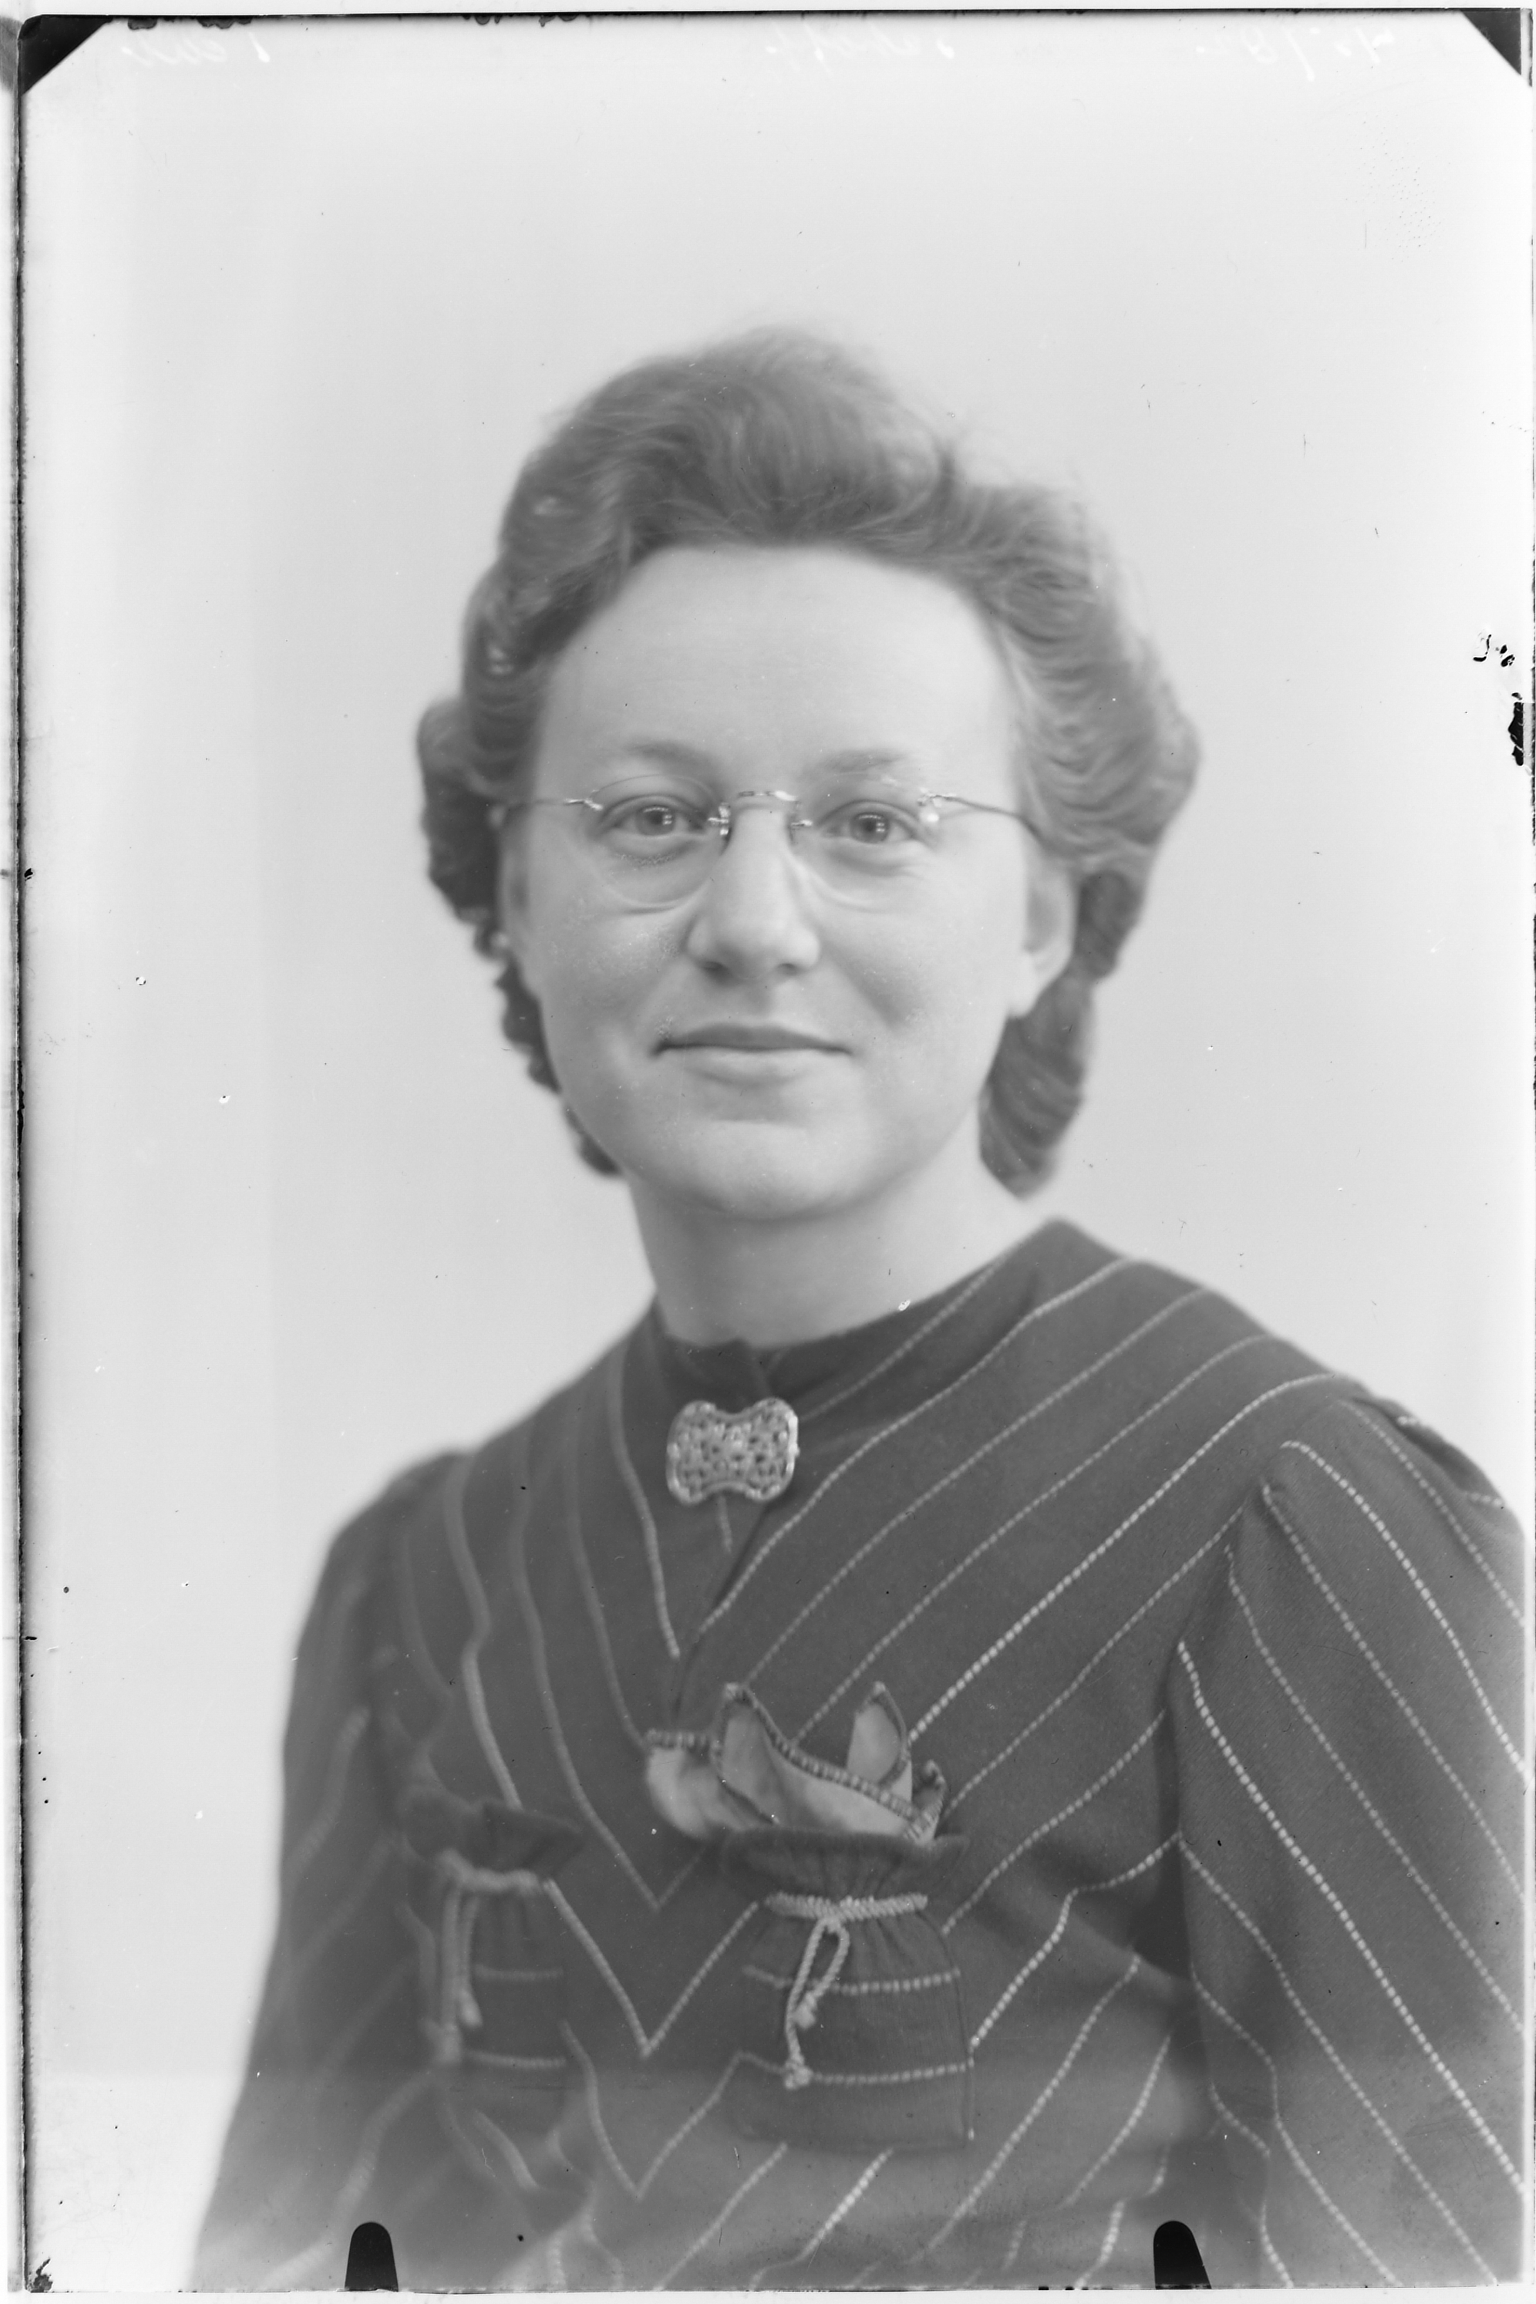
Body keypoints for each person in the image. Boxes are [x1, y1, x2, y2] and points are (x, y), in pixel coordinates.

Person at [194, 332, 1527, 2290]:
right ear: (517, 894)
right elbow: (288, 2262)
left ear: (1045, 918)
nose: (753, 922)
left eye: (874, 822)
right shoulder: (427, 1582)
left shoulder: (1290, 1529)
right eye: (651, 818)